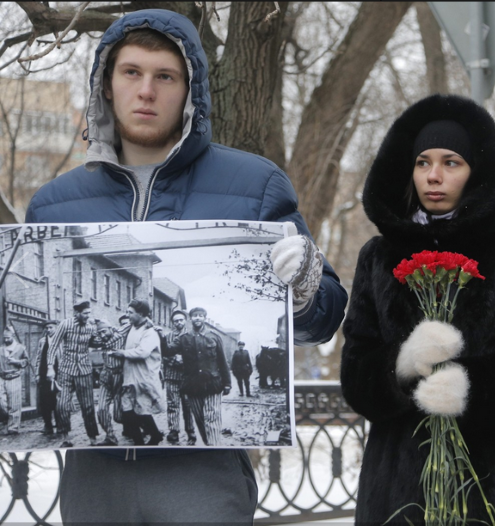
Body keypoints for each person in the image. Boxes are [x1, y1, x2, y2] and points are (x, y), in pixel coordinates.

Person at [25, 9, 347, 525]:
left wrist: (306, 286)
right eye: (131, 72)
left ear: (190, 89)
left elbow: (322, 319)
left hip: (202, 475)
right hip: (94, 477)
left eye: (165, 76)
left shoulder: (255, 185)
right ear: (106, 85)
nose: (146, 91)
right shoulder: (55, 204)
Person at [340, 94, 495, 524]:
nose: (434, 176)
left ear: (476, 172)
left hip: (491, 491)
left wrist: (471, 387)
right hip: (395, 496)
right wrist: (402, 366)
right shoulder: (379, 256)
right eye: (422, 162)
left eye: (451, 162)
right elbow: (356, 374)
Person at [165, 307, 230, 446]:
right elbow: (167, 350)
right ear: (191, 319)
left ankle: (214, 446)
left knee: (212, 416)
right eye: (195, 316)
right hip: (193, 385)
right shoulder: (184, 338)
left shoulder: (214, 337)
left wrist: (227, 383)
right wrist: (158, 336)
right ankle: (208, 443)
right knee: (199, 418)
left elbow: (223, 362)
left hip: (212, 383)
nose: (198, 318)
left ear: (204, 318)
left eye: (200, 316)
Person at [109, 300, 165, 446]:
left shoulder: (150, 332)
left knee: (142, 411)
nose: (127, 315)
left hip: (143, 378)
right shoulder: (131, 327)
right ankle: (141, 442)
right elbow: (116, 333)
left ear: (140, 314)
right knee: (127, 411)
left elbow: (143, 352)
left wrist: (122, 353)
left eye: (130, 313)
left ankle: (154, 437)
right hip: (129, 376)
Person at [46, 301, 101, 447]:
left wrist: (100, 332)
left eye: (89, 313)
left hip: (84, 371)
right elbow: (53, 346)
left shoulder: (90, 327)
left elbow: (95, 344)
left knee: (88, 406)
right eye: (85, 313)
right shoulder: (65, 324)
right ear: (77, 313)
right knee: (62, 405)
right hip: (66, 370)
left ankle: (92, 438)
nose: (88, 316)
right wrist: (50, 367)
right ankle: (65, 438)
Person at [162, 309, 195, 445]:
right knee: (172, 404)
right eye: (176, 321)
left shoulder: (191, 336)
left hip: (187, 378)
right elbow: (163, 354)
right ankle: (174, 430)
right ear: (172, 323)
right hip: (171, 376)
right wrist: (175, 360)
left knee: (188, 405)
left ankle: (190, 430)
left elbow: (196, 356)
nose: (178, 323)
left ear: (185, 320)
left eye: (181, 320)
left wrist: (185, 360)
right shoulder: (168, 337)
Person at [93, 319, 125, 446]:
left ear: (111, 329)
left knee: (119, 416)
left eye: (104, 331)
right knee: (101, 409)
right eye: (99, 333)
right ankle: (110, 436)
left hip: (120, 378)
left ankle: (144, 427)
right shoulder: (101, 340)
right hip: (106, 378)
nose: (102, 335)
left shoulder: (122, 337)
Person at [0, 328, 28, 435]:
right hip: (2, 377)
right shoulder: (1, 349)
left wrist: (16, 362)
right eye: (5, 338)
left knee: (14, 403)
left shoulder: (21, 348)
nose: (6, 340)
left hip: (14, 377)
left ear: (13, 337)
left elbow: (26, 362)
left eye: (8, 338)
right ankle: (5, 419)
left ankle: (13, 427)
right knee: (1, 402)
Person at [35, 320, 59, 436]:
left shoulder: (61, 340)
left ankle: (61, 425)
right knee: (44, 400)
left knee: (58, 400)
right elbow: (38, 358)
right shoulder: (42, 341)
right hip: (44, 373)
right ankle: (48, 425)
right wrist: (37, 374)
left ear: (56, 328)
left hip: (58, 374)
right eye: (47, 328)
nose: (49, 330)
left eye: (51, 327)